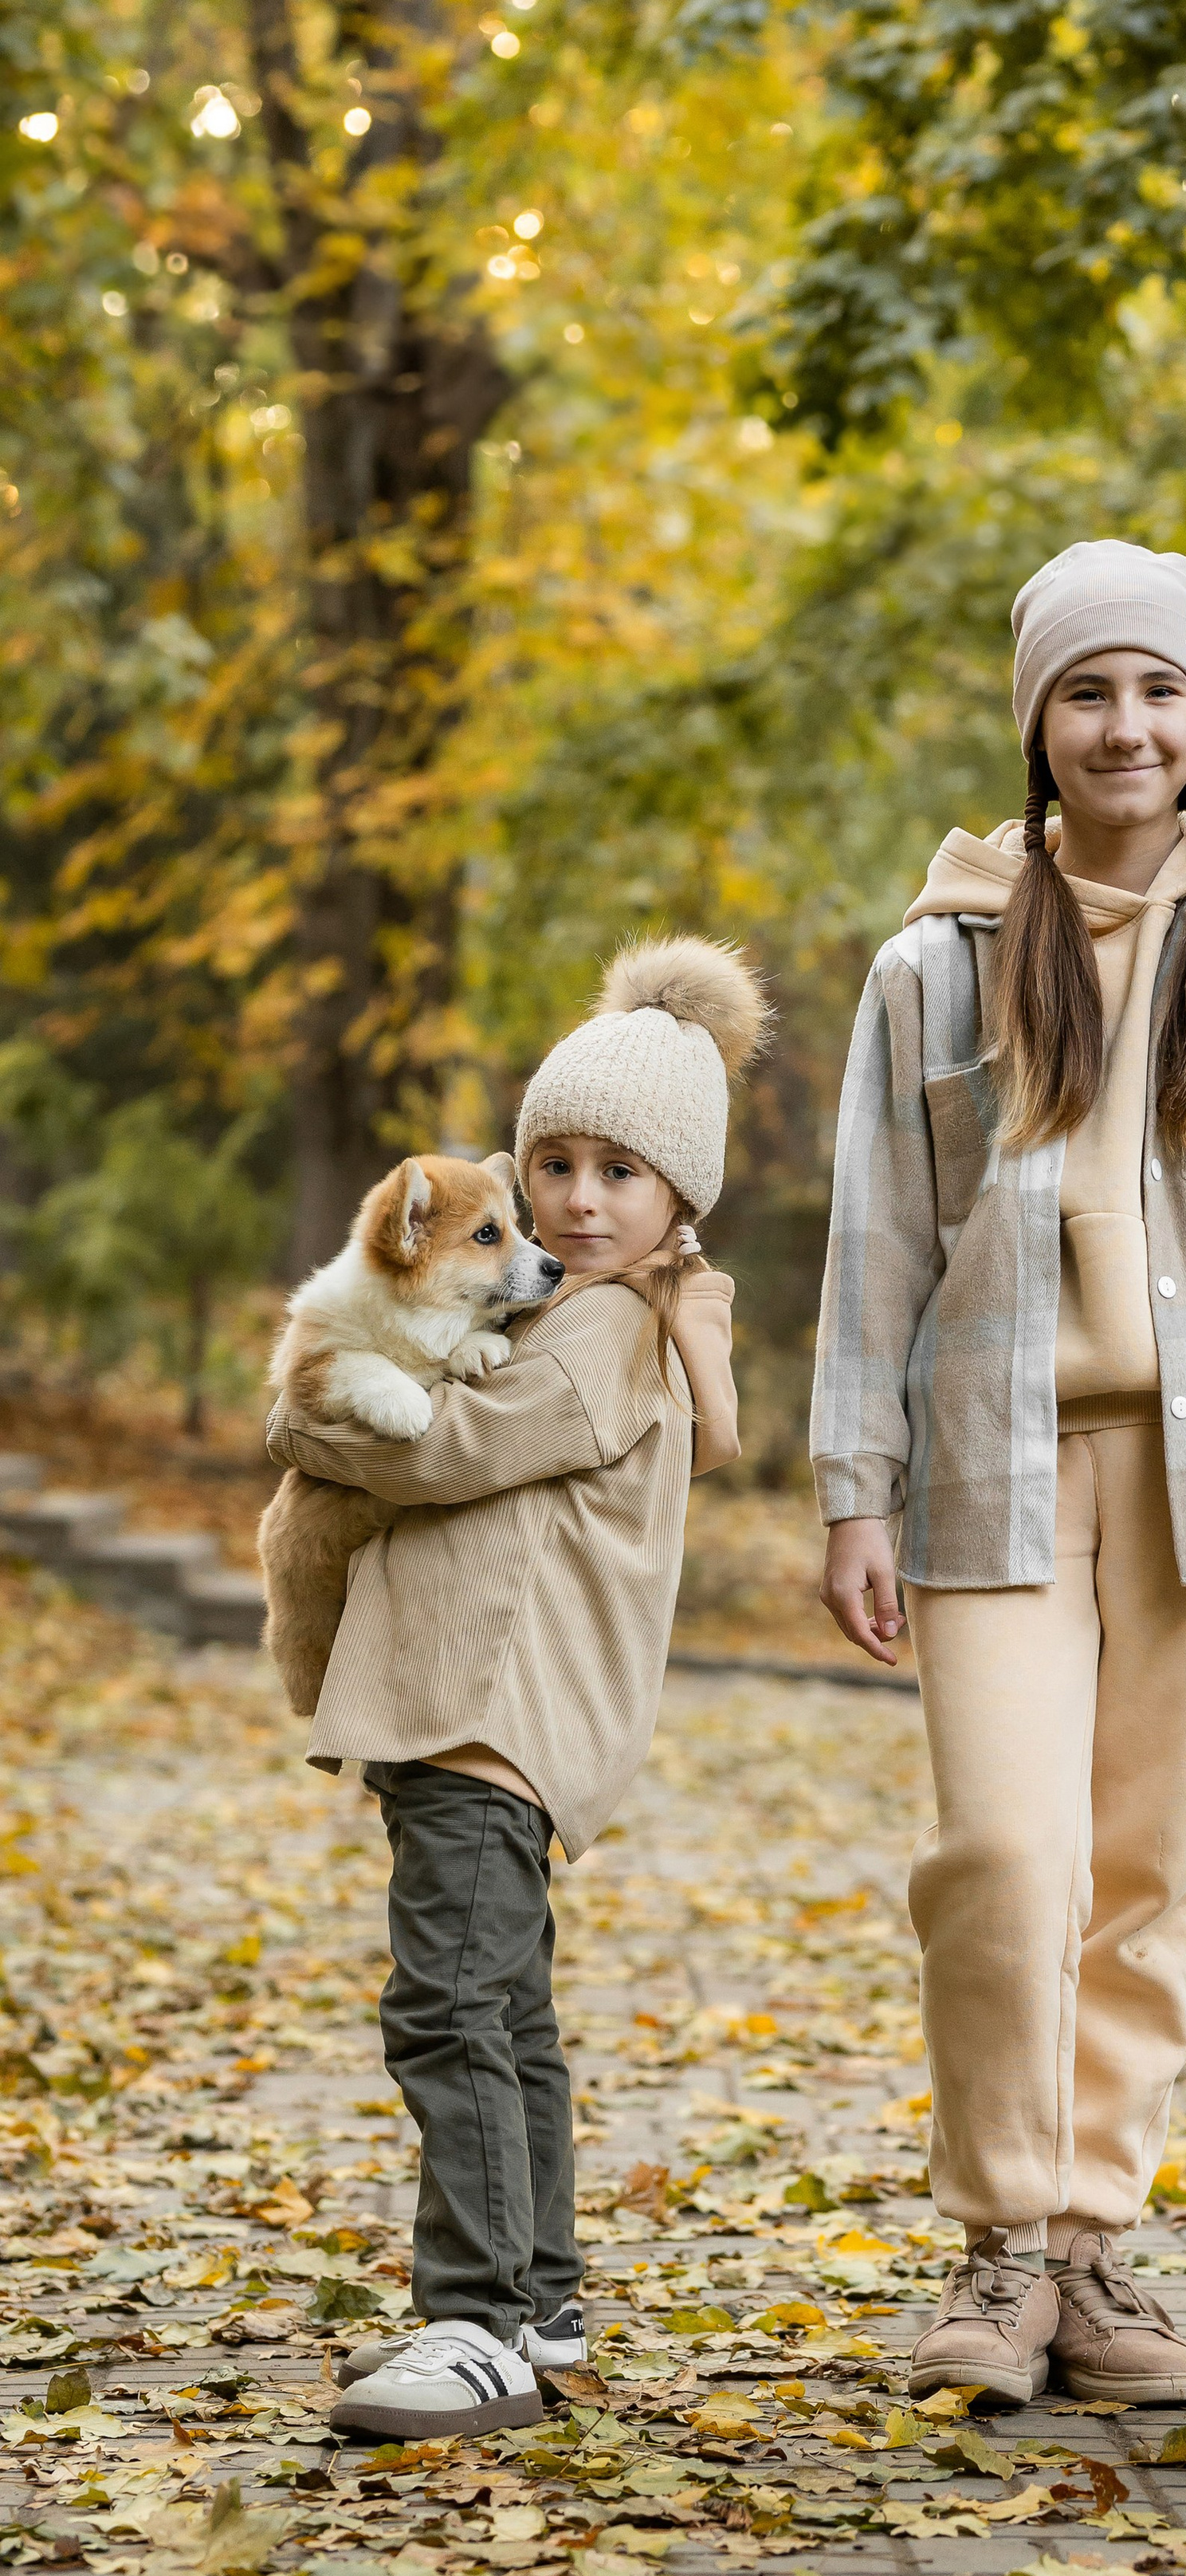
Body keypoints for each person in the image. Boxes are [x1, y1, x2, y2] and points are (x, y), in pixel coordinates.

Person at [812, 540, 1186, 2406]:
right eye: (1085, 691)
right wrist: (850, 1484)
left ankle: (1089, 2250)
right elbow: (874, 1241)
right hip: (990, 1465)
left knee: (1148, 1866)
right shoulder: (939, 957)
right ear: (1036, 722)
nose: (1122, 725)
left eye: (1154, 690)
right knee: (1003, 1849)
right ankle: (992, 2235)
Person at [266, 938, 768, 2440]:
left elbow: (442, 1452)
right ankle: (539, 2300)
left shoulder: (605, 1329)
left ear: (679, 1201)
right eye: (552, 1161)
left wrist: (299, 1425)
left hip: (494, 1719)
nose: (579, 1198)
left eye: (622, 1172)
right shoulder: (567, 1304)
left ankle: (473, 2316)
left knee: (446, 2010)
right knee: (508, 2015)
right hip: (482, 1723)